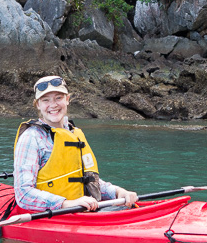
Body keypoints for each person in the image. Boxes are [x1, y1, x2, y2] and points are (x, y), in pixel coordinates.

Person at [13, 75, 138, 212]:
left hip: (81, 208)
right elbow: (24, 194)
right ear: (38, 104)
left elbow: (88, 179)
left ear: (67, 100)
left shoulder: (74, 133)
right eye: (45, 100)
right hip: (56, 213)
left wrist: (117, 192)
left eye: (58, 98)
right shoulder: (31, 137)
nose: (53, 105)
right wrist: (66, 204)